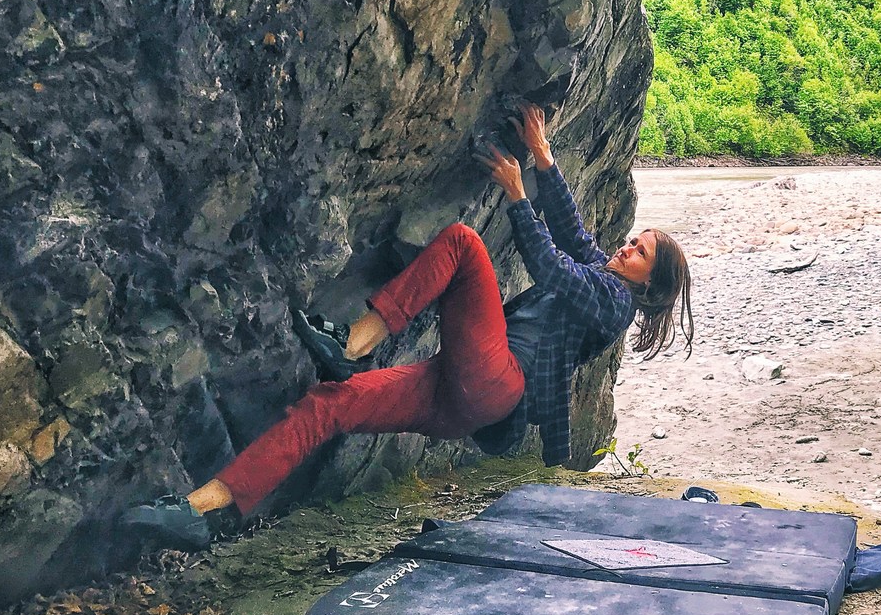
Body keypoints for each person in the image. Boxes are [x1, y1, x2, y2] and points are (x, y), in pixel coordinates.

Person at [122, 104, 693, 550]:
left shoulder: (614, 305)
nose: (626, 247)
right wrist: (542, 154)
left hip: (498, 381)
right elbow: (572, 233)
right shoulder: (606, 276)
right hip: (457, 392)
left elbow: (552, 264)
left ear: (650, 285)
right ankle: (199, 511)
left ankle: (351, 343)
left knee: (464, 244)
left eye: (639, 252)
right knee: (331, 404)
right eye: (633, 239)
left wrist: (517, 194)